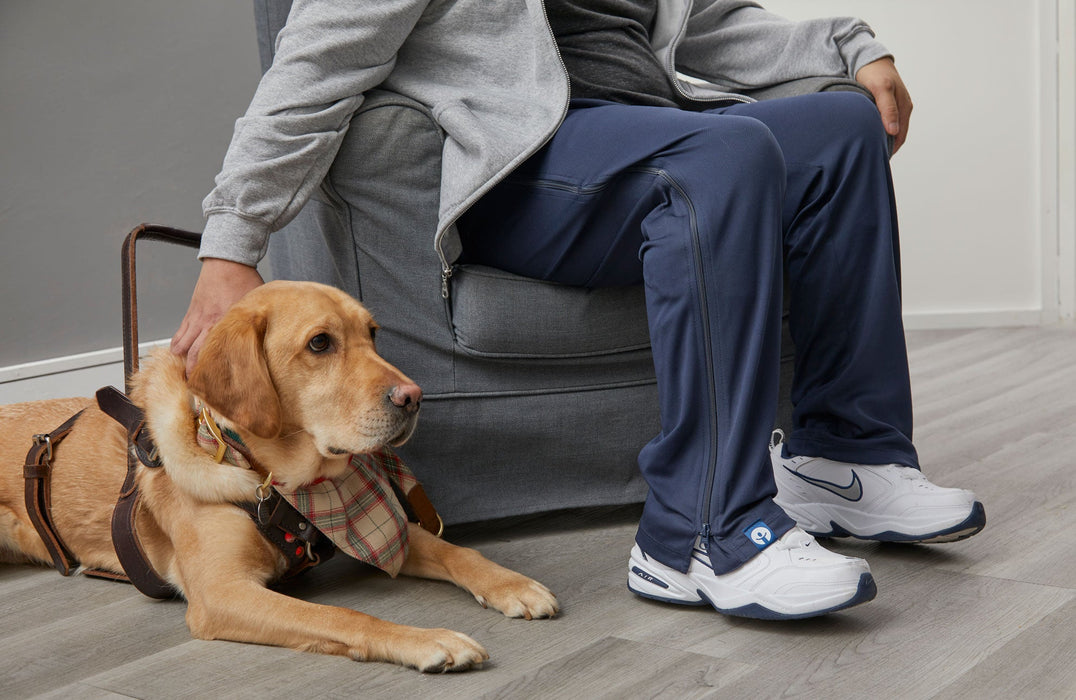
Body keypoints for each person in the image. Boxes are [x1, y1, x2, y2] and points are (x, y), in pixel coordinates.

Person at [172, 0, 985, 620]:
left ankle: (842, 457)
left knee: (842, 127)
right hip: (522, 166)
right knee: (724, 154)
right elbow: (314, 62)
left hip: (651, 139)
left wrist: (851, 45)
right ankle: (696, 533)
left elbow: (704, 23)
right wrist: (231, 245)